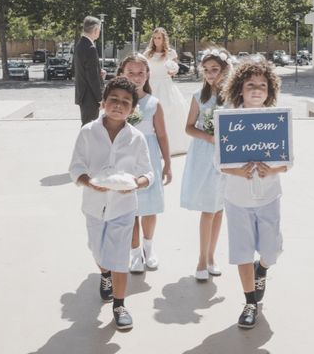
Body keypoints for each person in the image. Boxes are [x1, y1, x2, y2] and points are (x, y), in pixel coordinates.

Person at [69, 76, 154, 331]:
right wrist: (89, 182)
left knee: (118, 256)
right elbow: (76, 166)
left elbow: (147, 173)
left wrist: (136, 184)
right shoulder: (88, 132)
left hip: (124, 208)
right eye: (113, 100)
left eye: (126, 102)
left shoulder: (136, 138)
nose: (119, 105)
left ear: (133, 109)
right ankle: (104, 274)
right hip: (94, 205)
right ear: (103, 102)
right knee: (98, 251)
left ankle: (120, 304)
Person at [219, 59, 288, 329]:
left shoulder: (278, 118)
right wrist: (238, 171)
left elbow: (289, 160)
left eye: (262, 85)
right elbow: (219, 161)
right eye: (251, 85)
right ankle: (250, 303)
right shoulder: (228, 118)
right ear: (240, 89)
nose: (257, 90)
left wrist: (273, 169)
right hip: (237, 198)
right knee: (242, 251)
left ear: (270, 90)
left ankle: (264, 268)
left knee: (271, 251)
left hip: (269, 196)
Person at [180, 48, 232, 281]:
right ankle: (201, 259)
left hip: (228, 155)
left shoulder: (234, 97)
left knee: (219, 207)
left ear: (225, 70)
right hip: (204, 153)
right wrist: (209, 137)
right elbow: (189, 127)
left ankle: (211, 257)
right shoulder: (197, 96)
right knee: (207, 208)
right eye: (207, 70)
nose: (211, 74)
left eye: (215, 70)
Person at [118, 54, 172, 273]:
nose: (136, 77)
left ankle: (149, 248)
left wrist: (167, 163)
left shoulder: (153, 103)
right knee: (130, 208)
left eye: (141, 73)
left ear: (147, 74)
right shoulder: (116, 100)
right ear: (122, 73)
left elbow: (161, 135)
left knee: (149, 207)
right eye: (131, 73)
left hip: (148, 159)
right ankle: (134, 252)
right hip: (125, 159)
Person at [143, 27, 189, 155]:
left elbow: (175, 69)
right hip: (152, 85)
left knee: (170, 111)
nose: (157, 40)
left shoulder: (170, 53)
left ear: (164, 39)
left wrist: (173, 71)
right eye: (155, 38)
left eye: (159, 38)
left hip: (166, 85)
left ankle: (171, 145)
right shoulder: (148, 53)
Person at [74, 16, 105, 126]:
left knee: (87, 127)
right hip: (90, 96)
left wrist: (99, 73)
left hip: (83, 95)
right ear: (96, 29)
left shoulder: (80, 44)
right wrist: (100, 98)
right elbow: (92, 77)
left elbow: (85, 70)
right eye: (99, 29)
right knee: (89, 128)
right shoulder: (90, 48)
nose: (99, 32)